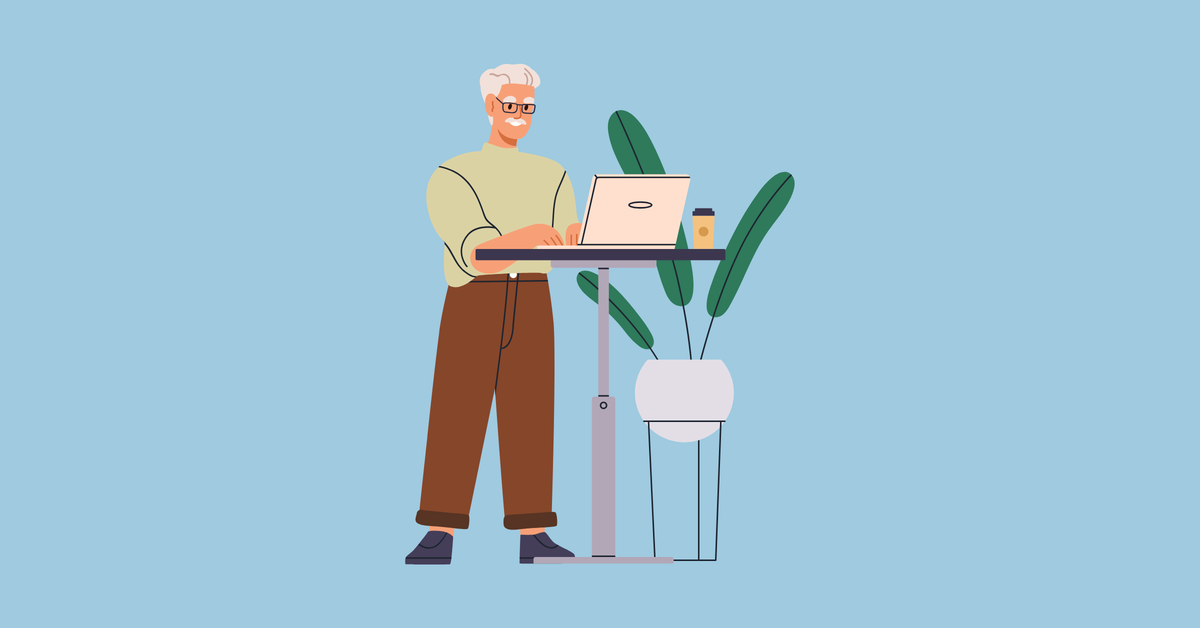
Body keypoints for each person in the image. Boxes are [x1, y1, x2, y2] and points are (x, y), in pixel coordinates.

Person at [405, 64, 580, 565]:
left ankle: (533, 532)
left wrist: (575, 234)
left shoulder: (554, 172)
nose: (521, 116)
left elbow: (568, 231)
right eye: (511, 105)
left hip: (533, 295)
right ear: (489, 106)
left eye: (528, 107)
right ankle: (439, 529)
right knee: (457, 410)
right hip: (473, 299)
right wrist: (525, 235)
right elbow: (475, 250)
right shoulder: (453, 173)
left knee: (531, 411)